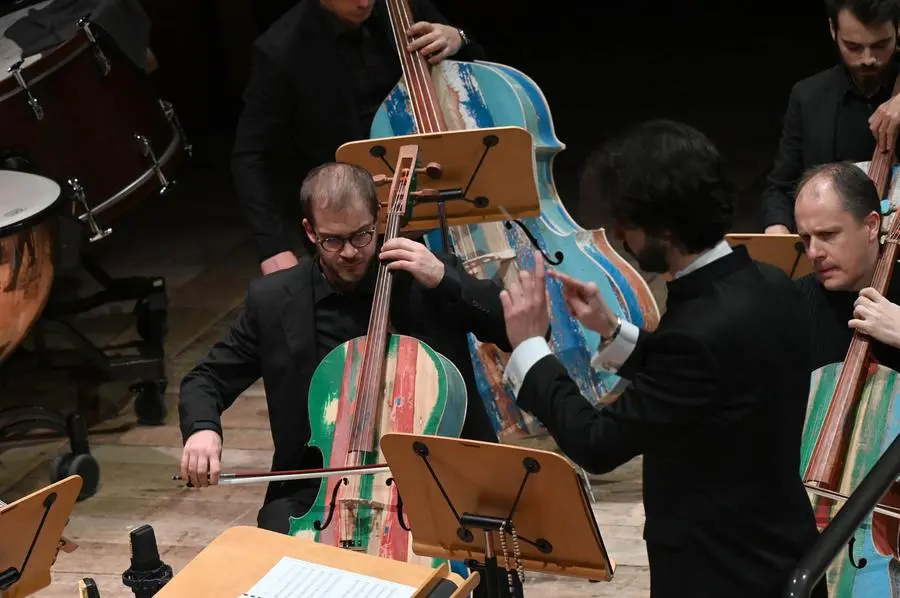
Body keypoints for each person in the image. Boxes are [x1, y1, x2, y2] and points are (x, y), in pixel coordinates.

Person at [496, 120, 827, 598]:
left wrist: (530, 348)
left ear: (665, 226)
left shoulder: (697, 331)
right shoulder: (770, 284)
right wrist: (611, 331)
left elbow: (598, 443)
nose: (621, 237)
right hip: (782, 547)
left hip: (721, 572)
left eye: (626, 224)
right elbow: (708, 381)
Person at [177, 162, 524, 597]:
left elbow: (512, 328)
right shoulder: (273, 300)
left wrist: (445, 280)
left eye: (361, 236)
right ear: (309, 231)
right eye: (333, 240)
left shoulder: (422, 276)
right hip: (320, 495)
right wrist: (203, 430)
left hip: (437, 487)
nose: (350, 252)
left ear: (378, 220)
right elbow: (205, 378)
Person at [232, 0, 485, 275]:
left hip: (440, 189)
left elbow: (473, 75)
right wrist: (272, 247)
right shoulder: (282, 49)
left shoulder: (405, 6)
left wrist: (459, 38)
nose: (364, 2)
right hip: (352, 220)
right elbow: (251, 155)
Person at [761, 0, 900, 234]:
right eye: (853, 47)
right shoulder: (808, 96)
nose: (867, 58)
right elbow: (781, 187)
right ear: (833, 30)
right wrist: (778, 229)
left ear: (898, 29)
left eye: (880, 45)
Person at [793, 160, 900, 368]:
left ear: (871, 226)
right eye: (806, 239)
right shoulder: (792, 303)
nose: (813, 253)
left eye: (827, 234)